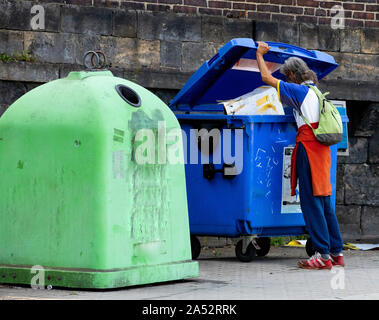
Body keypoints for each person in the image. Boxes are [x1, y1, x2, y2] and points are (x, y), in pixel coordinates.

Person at [256, 42, 345, 269]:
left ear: (292, 75)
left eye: (286, 76)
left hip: (308, 149)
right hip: (323, 151)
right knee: (324, 203)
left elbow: (267, 79)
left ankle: (322, 256)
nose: (285, 80)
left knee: (311, 203)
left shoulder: (298, 90)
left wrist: (259, 54)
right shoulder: (316, 91)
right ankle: (336, 252)